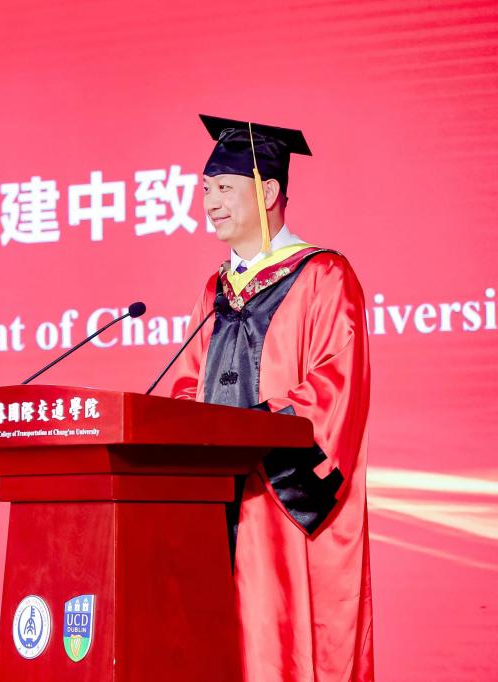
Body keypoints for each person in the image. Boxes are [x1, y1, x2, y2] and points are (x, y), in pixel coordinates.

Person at [167, 115, 374, 681]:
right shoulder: (215, 290)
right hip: (215, 504)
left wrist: (251, 434)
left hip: (281, 504)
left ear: (267, 192)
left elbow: (336, 387)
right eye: (205, 189)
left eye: (223, 188)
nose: (209, 202)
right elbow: (186, 382)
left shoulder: (324, 276)